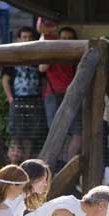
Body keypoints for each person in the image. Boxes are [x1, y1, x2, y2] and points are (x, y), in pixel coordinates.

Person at [2, 26, 46, 156]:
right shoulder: (12, 57)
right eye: (24, 37)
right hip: (17, 100)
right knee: (15, 134)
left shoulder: (38, 57)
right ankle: (14, 160)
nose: (27, 39)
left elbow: (43, 80)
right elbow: (5, 79)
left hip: (34, 100)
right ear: (19, 39)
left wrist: (42, 96)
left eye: (30, 37)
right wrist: (10, 98)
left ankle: (26, 161)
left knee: (30, 136)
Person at [40, 26, 81, 159]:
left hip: (72, 96)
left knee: (78, 132)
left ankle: (68, 165)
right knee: (55, 132)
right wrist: (53, 52)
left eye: (70, 39)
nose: (66, 41)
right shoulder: (53, 52)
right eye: (63, 38)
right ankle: (54, 164)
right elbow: (42, 68)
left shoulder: (77, 55)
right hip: (53, 95)